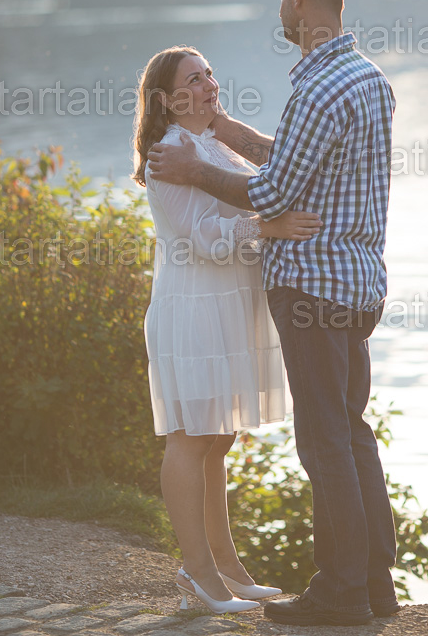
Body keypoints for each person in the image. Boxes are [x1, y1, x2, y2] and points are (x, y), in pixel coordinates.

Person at [147, 0, 400, 626]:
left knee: (325, 442)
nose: (279, 6)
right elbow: (291, 163)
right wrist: (224, 136)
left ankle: (341, 591)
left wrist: (199, 171)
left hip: (313, 286)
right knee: (350, 433)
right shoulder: (366, 77)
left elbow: (274, 189)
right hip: (357, 284)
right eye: (194, 78)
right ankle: (374, 584)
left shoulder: (316, 89)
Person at [132, 44, 322, 615]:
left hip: (228, 304)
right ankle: (198, 572)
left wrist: (233, 136)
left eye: (209, 72)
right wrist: (268, 227)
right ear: (168, 99)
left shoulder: (214, 143)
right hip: (194, 307)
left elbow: (274, 175)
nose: (210, 83)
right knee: (191, 437)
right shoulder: (169, 153)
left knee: (219, 438)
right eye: (194, 78)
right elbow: (200, 237)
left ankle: (228, 565)